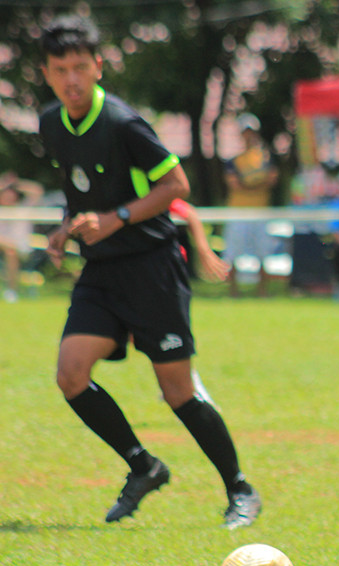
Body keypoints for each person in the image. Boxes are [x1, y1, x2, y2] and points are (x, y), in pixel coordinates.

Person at [37, 15, 261, 529]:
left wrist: (116, 219)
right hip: (100, 271)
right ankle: (143, 466)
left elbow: (177, 184)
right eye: (58, 69)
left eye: (79, 67)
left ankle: (240, 489)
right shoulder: (52, 123)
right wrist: (64, 228)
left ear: (97, 67)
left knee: (177, 391)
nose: (70, 79)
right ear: (46, 73)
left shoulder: (122, 123)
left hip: (152, 268)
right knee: (71, 373)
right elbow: (80, 194)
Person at [223, 113, 279, 297]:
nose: (248, 136)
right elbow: (234, 184)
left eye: (251, 132)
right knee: (233, 253)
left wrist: (249, 185)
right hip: (238, 212)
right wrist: (256, 185)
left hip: (260, 211)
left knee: (263, 254)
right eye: (245, 132)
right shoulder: (233, 160)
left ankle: (262, 292)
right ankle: (233, 291)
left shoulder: (265, 157)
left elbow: (272, 179)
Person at [0, 172, 44, 302]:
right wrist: (4, 183)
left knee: (11, 251)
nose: (8, 195)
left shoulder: (24, 208)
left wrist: (16, 184)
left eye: (11, 192)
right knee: (9, 249)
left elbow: (37, 190)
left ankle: (11, 290)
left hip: (22, 249)